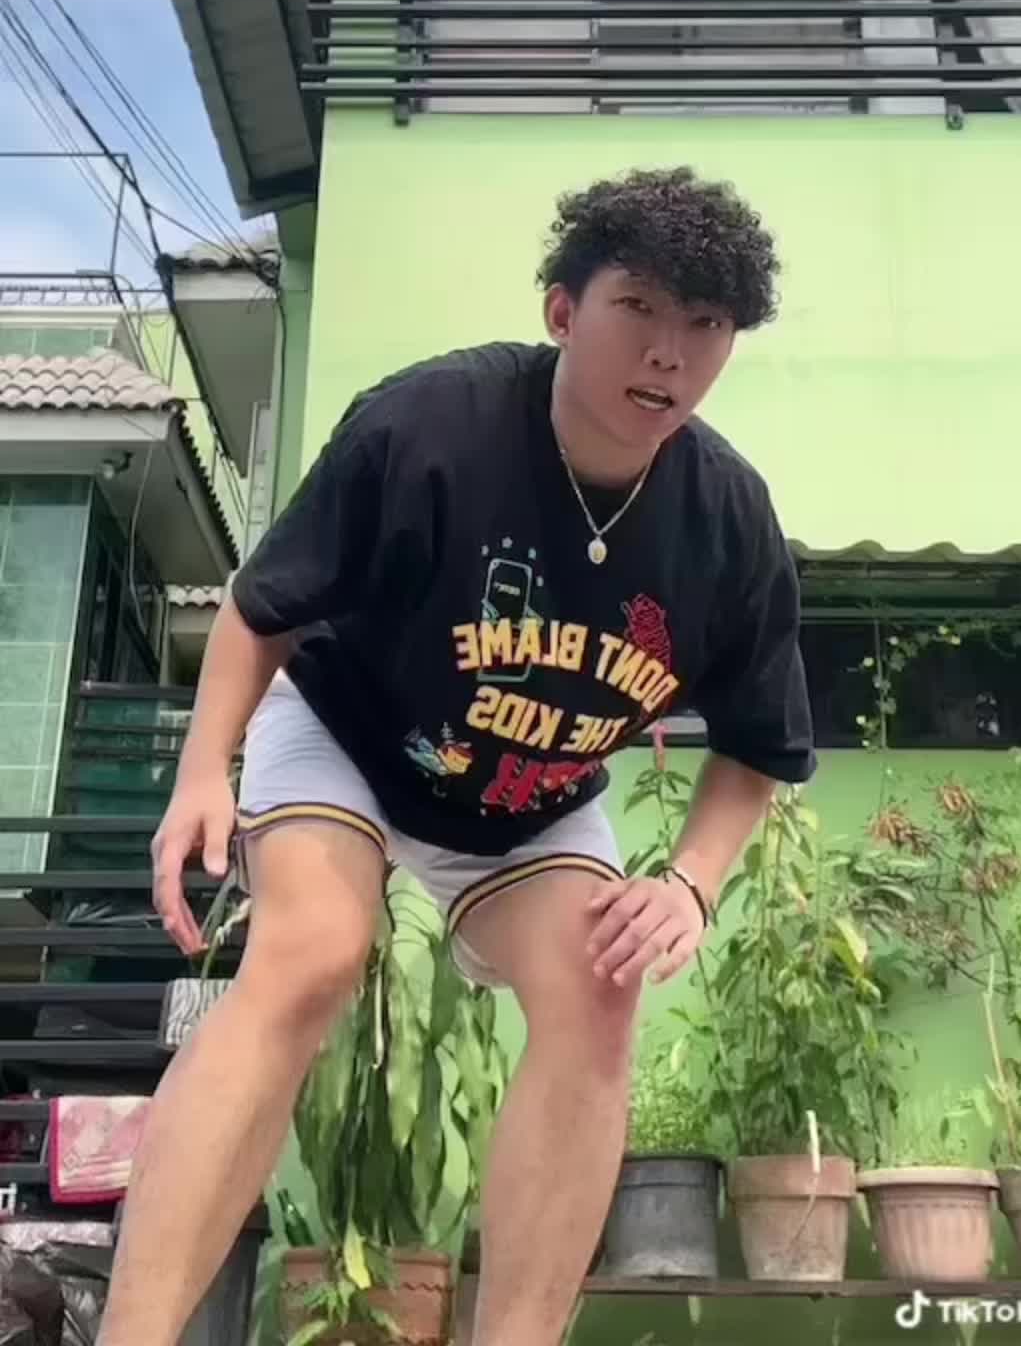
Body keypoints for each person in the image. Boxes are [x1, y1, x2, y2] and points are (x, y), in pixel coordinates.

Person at [98, 165, 815, 1346]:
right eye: (638, 308)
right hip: (349, 733)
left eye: (705, 324)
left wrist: (691, 882)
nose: (669, 353)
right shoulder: (429, 425)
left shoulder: (729, 522)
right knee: (314, 953)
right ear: (563, 311)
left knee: (600, 991)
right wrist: (200, 772)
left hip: (531, 803)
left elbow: (759, 745)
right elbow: (261, 608)